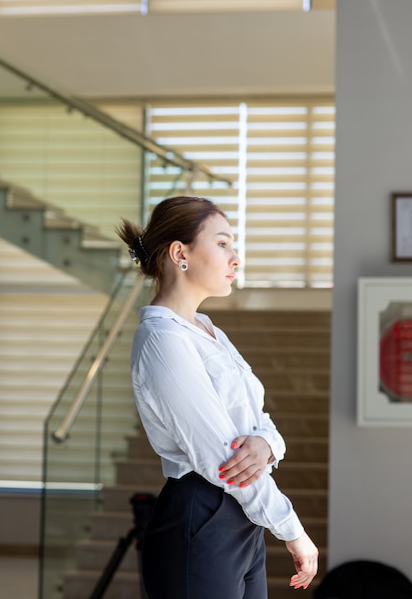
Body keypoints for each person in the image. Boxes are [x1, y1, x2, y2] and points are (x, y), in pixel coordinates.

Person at [117, 196, 318, 599]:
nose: (235, 258)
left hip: (242, 519)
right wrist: (292, 528)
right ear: (180, 253)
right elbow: (221, 457)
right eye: (223, 243)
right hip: (201, 515)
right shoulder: (163, 339)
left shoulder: (207, 330)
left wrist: (266, 444)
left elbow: (259, 421)